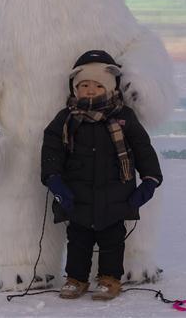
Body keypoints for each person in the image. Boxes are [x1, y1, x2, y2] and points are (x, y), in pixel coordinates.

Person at [41, 50, 163, 301]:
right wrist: (53, 178)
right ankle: (76, 279)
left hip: (116, 194)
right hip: (78, 195)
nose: (90, 90)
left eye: (98, 85)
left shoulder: (123, 117)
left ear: (110, 88)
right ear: (75, 88)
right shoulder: (66, 119)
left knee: (112, 241)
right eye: (84, 85)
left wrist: (150, 179)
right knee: (78, 240)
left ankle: (109, 279)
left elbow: (142, 148)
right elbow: (52, 148)